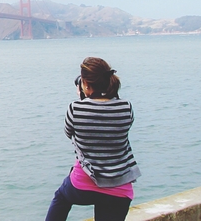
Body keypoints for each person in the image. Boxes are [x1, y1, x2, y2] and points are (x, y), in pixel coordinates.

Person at [45, 57, 141, 221]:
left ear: (86, 84)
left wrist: (83, 100)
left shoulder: (75, 108)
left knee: (61, 198)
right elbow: (121, 128)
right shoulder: (126, 107)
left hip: (84, 184)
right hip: (120, 189)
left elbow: (69, 133)